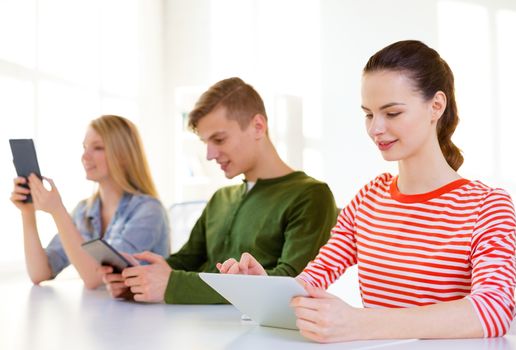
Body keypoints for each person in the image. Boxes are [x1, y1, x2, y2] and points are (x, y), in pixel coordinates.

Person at [218, 41, 516, 342]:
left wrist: (360, 323)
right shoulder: (368, 200)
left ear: (436, 106)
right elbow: (315, 277)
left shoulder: (487, 206)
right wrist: (268, 293)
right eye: (369, 114)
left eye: (392, 113)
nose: (376, 128)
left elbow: (493, 310)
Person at [101, 77, 339, 304]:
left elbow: (291, 283)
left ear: (258, 126)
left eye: (219, 140)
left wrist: (172, 284)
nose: (210, 155)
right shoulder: (221, 198)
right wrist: (137, 278)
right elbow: (188, 260)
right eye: (206, 143)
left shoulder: (311, 196)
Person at [10, 115, 170, 289]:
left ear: (123, 156)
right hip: (101, 313)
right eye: (85, 147)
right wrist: (27, 213)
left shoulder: (148, 210)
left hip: (144, 315)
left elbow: (96, 278)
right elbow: (40, 272)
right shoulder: (83, 211)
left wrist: (58, 211)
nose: (85, 156)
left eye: (98, 148)